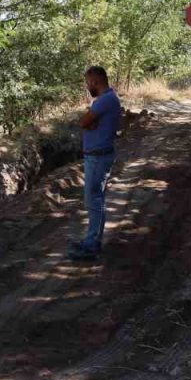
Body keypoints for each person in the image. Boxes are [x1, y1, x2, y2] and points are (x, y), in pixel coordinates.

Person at [70, 66, 121, 260]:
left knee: (94, 200)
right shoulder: (108, 99)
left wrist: (90, 120)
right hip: (98, 155)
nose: (87, 86)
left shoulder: (105, 100)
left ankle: (92, 245)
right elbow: (89, 122)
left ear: (95, 81)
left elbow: (84, 122)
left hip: (98, 156)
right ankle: (92, 241)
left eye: (88, 82)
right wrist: (91, 120)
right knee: (96, 199)